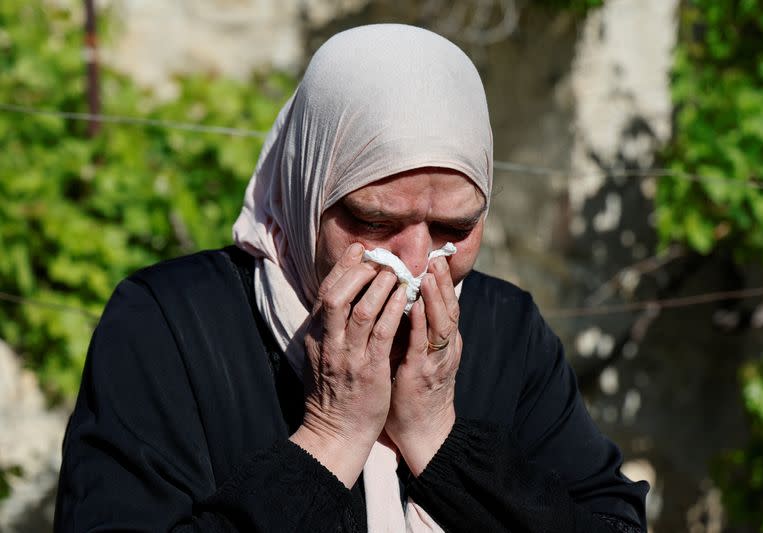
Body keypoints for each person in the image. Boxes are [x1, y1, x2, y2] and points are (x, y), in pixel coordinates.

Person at [54, 24, 648, 532]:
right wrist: (330, 436)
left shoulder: (506, 328)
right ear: (308, 189)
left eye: (454, 226)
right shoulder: (169, 323)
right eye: (372, 220)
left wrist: (440, 439)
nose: (416, 261)